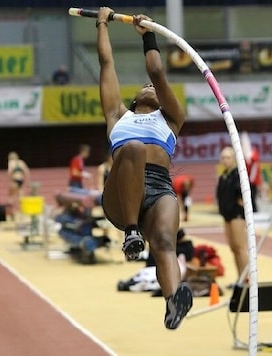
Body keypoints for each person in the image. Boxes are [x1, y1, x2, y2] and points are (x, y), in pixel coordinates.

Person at [95, 7, 192, 329]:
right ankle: (132, 232)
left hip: (159, 185)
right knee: (134, 148)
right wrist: (102, 24)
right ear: (134, 101)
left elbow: (157, 73)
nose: (148, 88)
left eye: (151, 89)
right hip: (122, 196)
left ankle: (172, 302)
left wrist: (148, 33)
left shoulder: (172, 118)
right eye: (143, 89)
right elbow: (106, 63)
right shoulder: (117, 115)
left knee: (166, 241)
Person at [216, 146, 248, 282]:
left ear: (234, 158)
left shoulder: (238, 174)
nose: (225, 160)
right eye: (223, 157)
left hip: (236, 214)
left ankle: (247, 278)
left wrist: (241, 203)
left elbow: (243, 191)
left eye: (228, 157)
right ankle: (240, 277)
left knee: (240, 247)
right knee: (233, 248)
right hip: (226, 214)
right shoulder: (223, 176)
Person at [7, 151, 30, 220]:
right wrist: (27, 181)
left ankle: (12, 212)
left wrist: (10, 179)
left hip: (15, 180)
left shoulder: (11, 162)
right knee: (20, 196)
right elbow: (27, 171)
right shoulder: (21, 162)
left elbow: (9, 172)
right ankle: (22, 213)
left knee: (10, 197)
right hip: (21, 180)